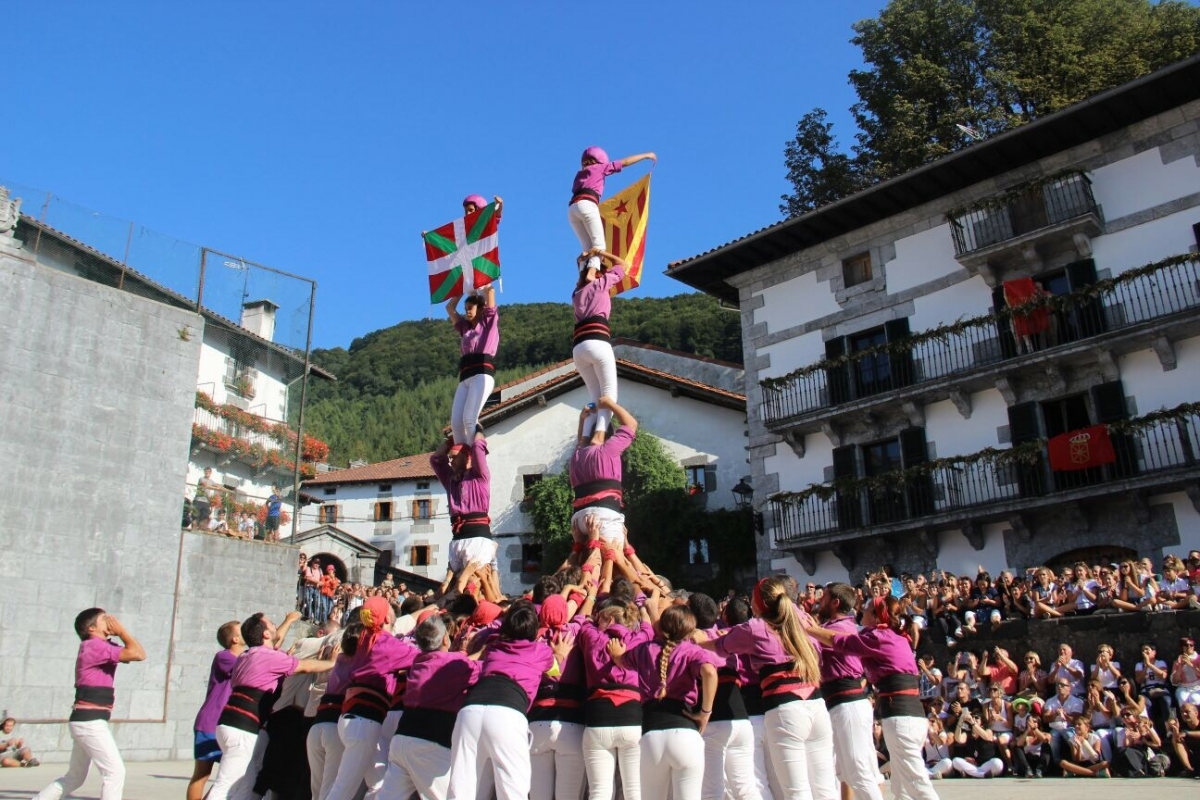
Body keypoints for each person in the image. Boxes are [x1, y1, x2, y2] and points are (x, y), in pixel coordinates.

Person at [708, 576, 835, 800]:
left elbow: (720, 646)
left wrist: (698, 639)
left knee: (797, 792)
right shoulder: (802, 618)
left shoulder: (756, 627)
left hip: (786, 708)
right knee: (825, 789)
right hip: (816, 704)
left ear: (758, 603)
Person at [802, 594, 938, 800]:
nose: (861, 612)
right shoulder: (894, 635)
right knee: (902, 785)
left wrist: (810, 629)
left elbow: (841, 641)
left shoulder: (879, 637)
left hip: (901, 716)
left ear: (875, 616)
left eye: (866, 610)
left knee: (915, 782)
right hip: (910, 714)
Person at [206, 611, 331, 800]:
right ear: (265, 634)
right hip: (242, 728)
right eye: (272, 624)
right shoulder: (268, 658)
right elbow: (306, 666)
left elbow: (276, 644)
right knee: (226, 785)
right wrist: (333, 661)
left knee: (246, 782)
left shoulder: (247, 655)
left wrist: (288, 622)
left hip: (232, 723)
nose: (275, 626)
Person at [446, 600, 558, 800]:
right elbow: (555, 670)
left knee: (461, 788)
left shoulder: (493, 648)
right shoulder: (541, 651)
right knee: (513, 791)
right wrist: (562, 653)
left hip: (470, 711)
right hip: (508, 713)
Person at [32, 608, 146, 800]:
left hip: (85, 720)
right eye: (104, 619)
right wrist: (122, 631)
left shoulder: (99, 646)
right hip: (90, 722)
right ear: (92, 628)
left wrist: (119, 633)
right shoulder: (94, 646)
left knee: (74, 778)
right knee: (115, 772)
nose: (110, 621)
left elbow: (137, 652)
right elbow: (138, 654)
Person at [608, 604, 719, 800]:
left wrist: (616, 654)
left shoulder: (644, 650)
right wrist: (705, 713)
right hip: (685, 733)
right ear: (689, 629)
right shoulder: (692, 651)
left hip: (652, 737)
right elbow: (710, 672)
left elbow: (621, 660)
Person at [381, 614, 480, 800]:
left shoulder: (418, 661)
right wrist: (481, 650)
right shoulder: (452, 663)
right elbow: (479, 669)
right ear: (445, 639)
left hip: (402, 738)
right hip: (430, 742)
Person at [815, 582, 883, 800]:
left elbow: (815, 640)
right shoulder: (834, 626)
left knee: (858, 771)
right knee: (847, 770)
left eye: (824, 597)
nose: (819, 601)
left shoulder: (840, 628)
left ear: (835, 602)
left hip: (847, 703)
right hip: (841, 702)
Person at [568, 146, 656, 273]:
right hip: (587, 205)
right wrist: (647, 155)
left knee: (587, 246)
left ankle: (582, 276)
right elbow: (625, 162)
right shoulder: (600, 168)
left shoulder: (579, 175)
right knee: (599, 245)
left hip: (572, 210)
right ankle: (591, 274)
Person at [568, 396, 637, 555]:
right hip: (603, 516)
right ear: (610, 437)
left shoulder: (577, 455)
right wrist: (609, 404)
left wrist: (583, 419)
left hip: (580, 518)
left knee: (590, 561)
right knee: (614, 562)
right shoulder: (608, 450)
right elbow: (631, 425)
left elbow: (582, 441)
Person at [187, 620, 245, 800]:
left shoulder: (244, 657)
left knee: (231, 775)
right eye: (241, 630)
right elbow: (247, 665)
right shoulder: (224, 657)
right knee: (202, 774)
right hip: (210, 722)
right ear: (235, 639)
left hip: (229, 723)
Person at [572, 248, 625, 440]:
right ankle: (599, 436)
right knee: (609, 395)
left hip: (579, 348)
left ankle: (585, 439)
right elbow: (622, 265)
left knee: (594, 398)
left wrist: (589, 260)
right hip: (597, 342)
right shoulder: (600, 284)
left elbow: (583, 274)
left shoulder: (576, 293)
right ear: (598, 273)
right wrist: (600, 252)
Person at [431, 429, 498, 577]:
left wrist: (477, 430)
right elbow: (436, 460)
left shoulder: (479, 476)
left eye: (454, 457)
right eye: (450, 458)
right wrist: (452, 440)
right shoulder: (451, 480)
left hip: (477, 536)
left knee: (476, 580)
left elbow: (478, 447)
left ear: (467, 457)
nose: (451, 462)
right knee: (455, 582)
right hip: (458, 536)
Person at [445, 283, 498, 455]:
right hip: (465, 376)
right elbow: (450, 308)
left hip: (481, 373)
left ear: (480, 308)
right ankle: (462, 457)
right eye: (466, 308)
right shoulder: (465, 328)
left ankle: (474, 456)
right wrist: (461, 287)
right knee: (456, 423)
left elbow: (491, 297)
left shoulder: (488, 323)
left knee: (469, 418)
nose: (467, 311)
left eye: (470, 308)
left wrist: (486, 288)